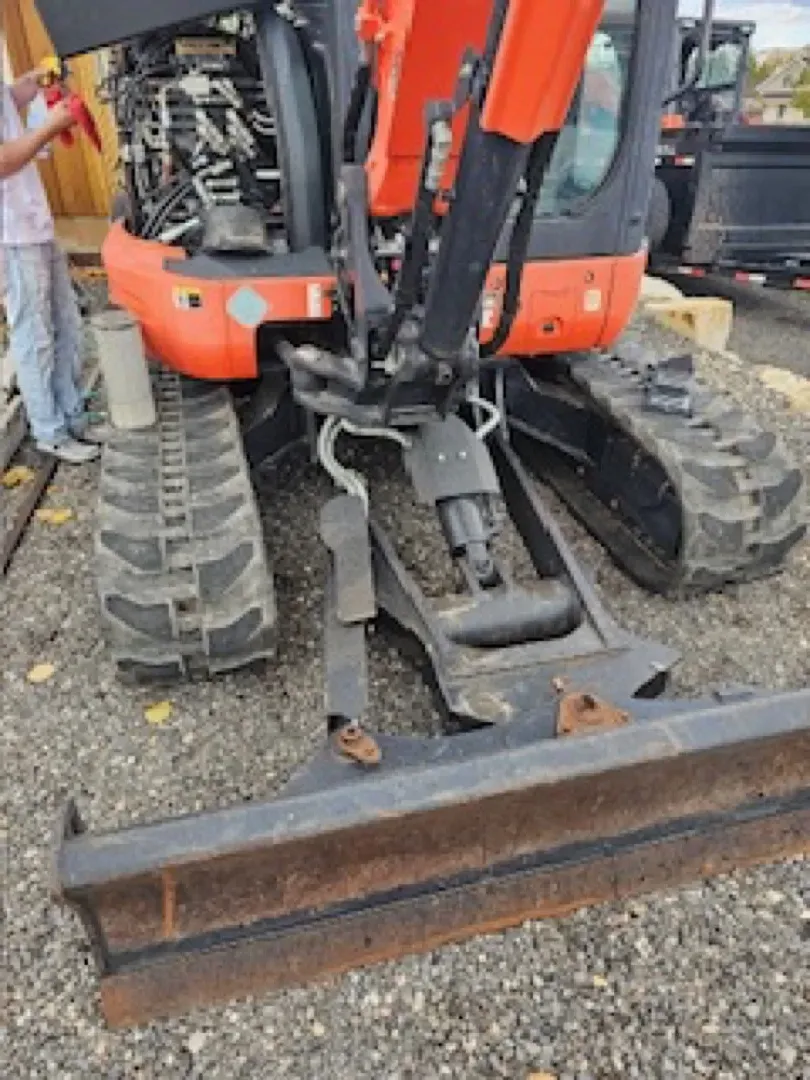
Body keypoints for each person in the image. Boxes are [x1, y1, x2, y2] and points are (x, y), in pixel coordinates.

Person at [1, 65, 101, 463]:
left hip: (33, 222)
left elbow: (7, 100)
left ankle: (73, 415)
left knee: (66, 322)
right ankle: (50, 431)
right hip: (10, 234)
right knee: (34, 334)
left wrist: (30, 84)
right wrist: (52, 124)